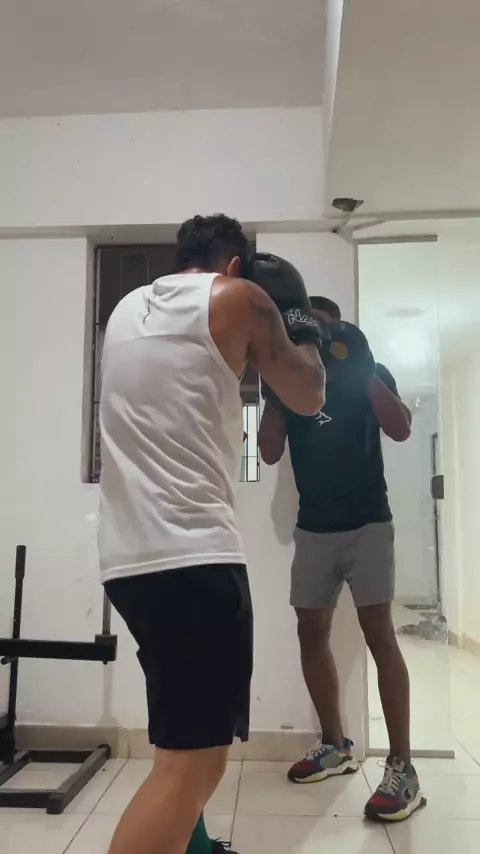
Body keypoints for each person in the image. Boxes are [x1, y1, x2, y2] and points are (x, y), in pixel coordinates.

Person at [98, 214, 325, 854]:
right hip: (193, 560)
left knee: (181, 744)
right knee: (194, 766)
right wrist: (299, 321)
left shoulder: (125, 310)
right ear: (233, 266)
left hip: (128, 564)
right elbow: (308, 394)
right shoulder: (238, 297)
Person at [258, 295, 426, 823]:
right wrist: (272, 390)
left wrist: (363, 368)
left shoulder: (369, 368)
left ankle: (402, 768)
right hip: (314, 529)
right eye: (311, 332)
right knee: (310, 632)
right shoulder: (290, 380)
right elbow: (265, 451)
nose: (321, 341)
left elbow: (401, 428)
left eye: (328, 330)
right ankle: (335, 745)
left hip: (368, 523)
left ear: (341, 330)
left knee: (380, 636)